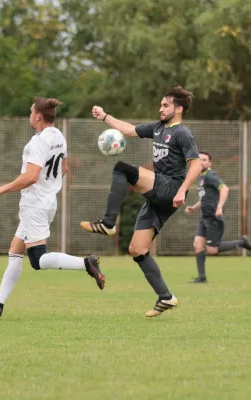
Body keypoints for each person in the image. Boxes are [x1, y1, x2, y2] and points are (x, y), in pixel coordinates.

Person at [0, 97, 105, 319]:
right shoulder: (59, 136)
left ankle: (86, 263)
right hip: (46, 202)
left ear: (38, 116)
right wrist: (49, 187)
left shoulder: (37, 142)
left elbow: (31, 177)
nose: (29, 116)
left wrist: (1, 189)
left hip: (34, 205)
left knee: (37, 260)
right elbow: (63, 168)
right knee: (15, 251)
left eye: (30, 112)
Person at [80, 86, 201, 318]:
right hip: (159, 196)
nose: (161, 108)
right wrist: (105, 116)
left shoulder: (182, 133)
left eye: (165, 105)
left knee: (122, 169)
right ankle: (166, 297)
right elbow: (128, 130)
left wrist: (183, 190)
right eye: (161, 104)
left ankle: (107, 223)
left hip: (171, 188)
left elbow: (195, 164)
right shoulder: (157, 128)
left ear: (179, 108)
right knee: (137, 249)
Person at [185, 151, 251, 283]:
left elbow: (224, 189)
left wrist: (219, 207)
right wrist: (194, 207)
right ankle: (202, 277)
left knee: (212, 250)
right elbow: (205, 198)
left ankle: (242, 242)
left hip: (213, 218)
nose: (201, 162)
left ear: (209, 163)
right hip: (204, 217)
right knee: (197, 245)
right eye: (199, 159)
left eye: (204, 160)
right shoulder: (201, 177)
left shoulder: (211, 175)